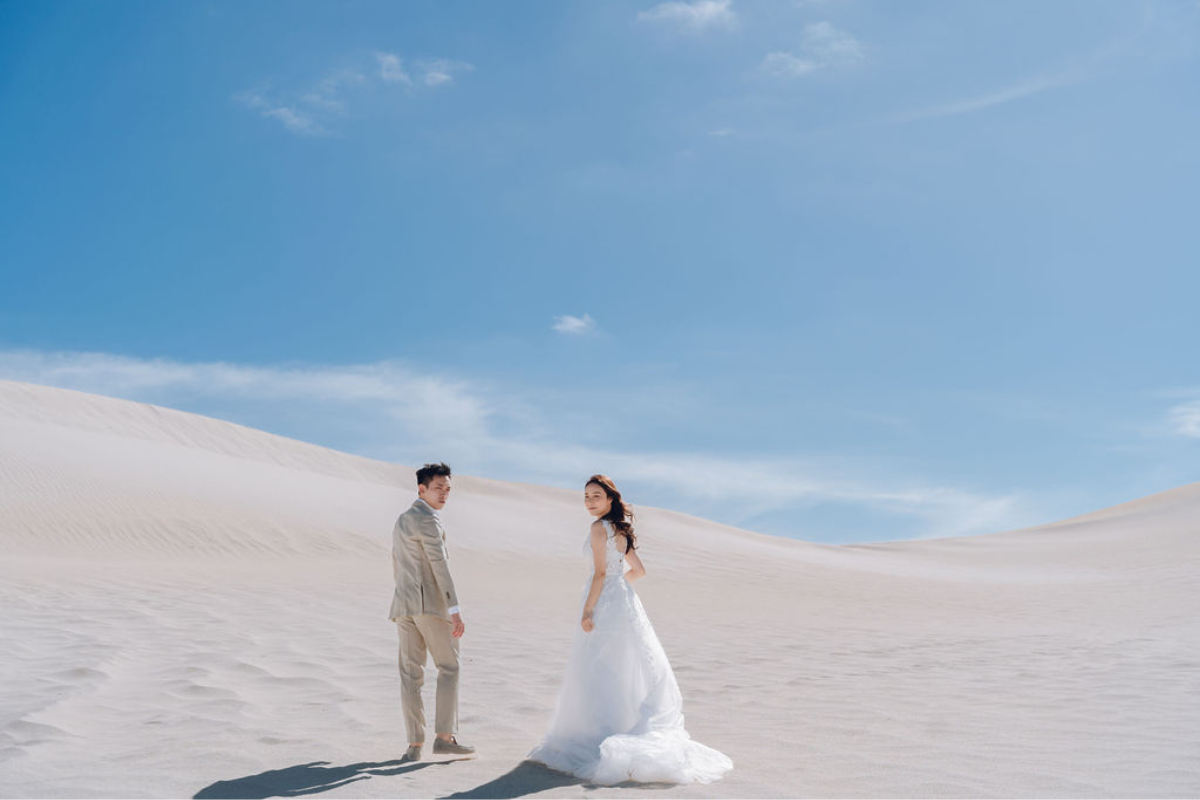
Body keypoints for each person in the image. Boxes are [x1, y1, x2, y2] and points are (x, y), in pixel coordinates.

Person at [528, 475, 733, 785]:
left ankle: (602, 732)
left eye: (596, 495)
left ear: (611, 499)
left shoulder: (599, 528)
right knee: (625, 664)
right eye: (585, 496)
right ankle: (624, 725)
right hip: (624, 603)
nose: (589, 501)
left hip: (604, 603)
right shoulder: (620, 530)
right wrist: (618, 588)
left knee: (600, 666)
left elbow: (599, 572)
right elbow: (638, 571)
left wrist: (589, 608)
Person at [388, 462, 475, 762]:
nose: (444, 494)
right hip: (428, 606)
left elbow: (397, 562)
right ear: (421, 489)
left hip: (403, 605)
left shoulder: (402, 520)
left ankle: (414, 746)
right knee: (449, 668)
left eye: (448, 489)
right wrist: (455, 610)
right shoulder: (429, 520)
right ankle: (444, 738)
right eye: (439, 488)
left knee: (411, 676)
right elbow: (440, 566)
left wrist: (404, 598)